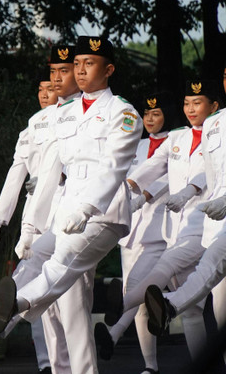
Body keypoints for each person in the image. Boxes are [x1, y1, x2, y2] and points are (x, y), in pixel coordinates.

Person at [0, 36, 142, 353]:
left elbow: (113, 167)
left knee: (64, 262)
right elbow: (49, 173)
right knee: (40, 253)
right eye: (78, 64)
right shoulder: (66, 114)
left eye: (90, 63)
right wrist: (30, 227)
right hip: (66, 208)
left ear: (108, 69)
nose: (81, 70)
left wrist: (86, 207)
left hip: (104, 211)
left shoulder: (123, 113)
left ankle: (15, 306)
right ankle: (0, 320)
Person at [104, 79, 221, 360]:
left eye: (198, 103)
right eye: (187, 103)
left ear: (214, 106)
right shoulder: (177, 138)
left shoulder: (219, 133)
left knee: (220, 310)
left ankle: (123, 304)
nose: (191, 109)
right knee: (192, 312)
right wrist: (130, 186)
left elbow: (207, 172)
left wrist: (187, 192)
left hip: (209, 224)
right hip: (179, 230)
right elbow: (157, 166)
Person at [0, 76, 59, 373]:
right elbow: (16, 175)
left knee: (55, 293)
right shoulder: (32, 126)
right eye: (40, 89)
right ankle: (46, 364)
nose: (44, 94)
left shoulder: (75, 118)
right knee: (43, 297)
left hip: (67, 211)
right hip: (36, 213)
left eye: (50, 88)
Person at [94, 93, 178, 373]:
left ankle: (116, 332)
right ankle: (150, 365)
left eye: (157, 114)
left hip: (163, 227)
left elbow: (167, 179)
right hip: (132, 231)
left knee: (154, 294)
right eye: (147, 114)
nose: (150, 119)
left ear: (168, 116)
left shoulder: (178, 141)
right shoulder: (137, 145)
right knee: (139, 298)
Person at [142, 74, 226, 340]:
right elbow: (211, 174)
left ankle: (170, 303)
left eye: (197, 102)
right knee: (219, 301)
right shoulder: (215, 124)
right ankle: (171, 305)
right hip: (218, 223)